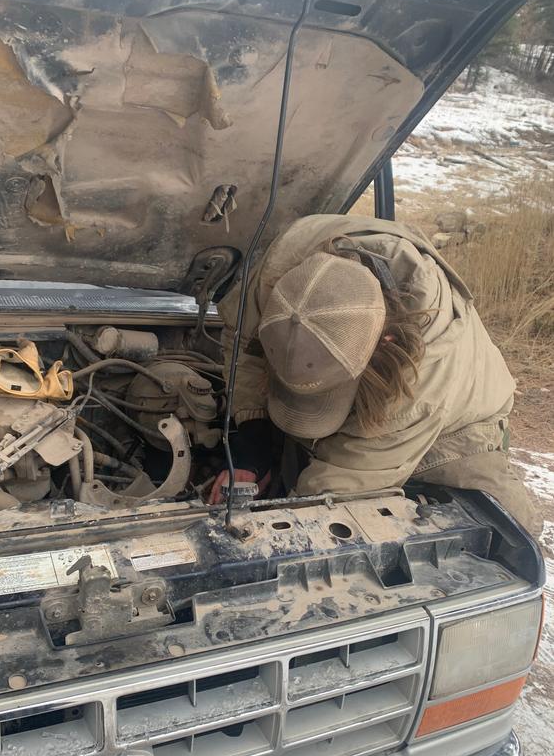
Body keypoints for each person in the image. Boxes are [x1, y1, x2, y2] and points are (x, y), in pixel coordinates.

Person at [210, 214, 540, 537]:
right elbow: (243, 347)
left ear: (387, 342)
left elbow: (337, 487)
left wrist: (277, 531)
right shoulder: (280, 271)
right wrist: (252, 440)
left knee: (507, 534)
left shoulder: (424, 376)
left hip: (453, 433)